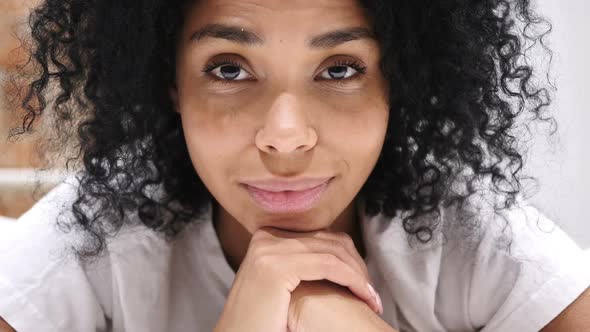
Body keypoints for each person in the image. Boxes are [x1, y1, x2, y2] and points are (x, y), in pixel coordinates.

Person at [1, 0, 589, 331]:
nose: (286, 137)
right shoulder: (90, 241)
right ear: (168, 81)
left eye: (339, 70)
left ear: (398, 80)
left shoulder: (467, 233)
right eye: (228, 68)